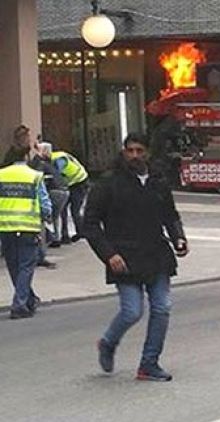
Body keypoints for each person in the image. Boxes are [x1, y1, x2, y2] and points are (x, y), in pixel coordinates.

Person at [84, 133, 189, 381]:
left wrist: (179, 238)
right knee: (132, 311)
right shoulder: (109, 183)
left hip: (156, 255)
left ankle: (149, 364)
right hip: (125, 257)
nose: (134, 156)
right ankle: (108, 343)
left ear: (147, 153)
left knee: (162, 307)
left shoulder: (158, 181)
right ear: (123, 152)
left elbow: (170, 215)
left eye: (139, 151)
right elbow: (90, 223)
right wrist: (108, 254)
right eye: (130, 150)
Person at [0, 139, 52, 319]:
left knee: (14, 266)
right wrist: (47, 218)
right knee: (26, 267)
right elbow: (44, 203)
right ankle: (20, 304)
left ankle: (28, 299)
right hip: (28, 227)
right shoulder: (34, 175)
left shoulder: (1, 175)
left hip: (5, 228)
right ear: (26, 156)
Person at [51, 148, 89, 243]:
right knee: (63, 210)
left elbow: (58, 176)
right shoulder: (57, 156)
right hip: (73, 183)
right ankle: (65, 235)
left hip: (79, 182)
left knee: (74, 210)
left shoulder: (58, 160)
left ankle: (81, 232)